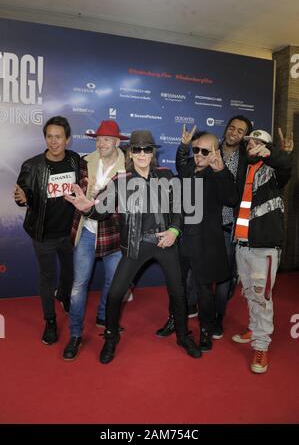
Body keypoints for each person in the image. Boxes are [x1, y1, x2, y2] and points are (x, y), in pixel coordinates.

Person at [65, 130, 201, 363]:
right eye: (136, 149)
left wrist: (174, 231)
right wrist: (86, 207)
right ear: (129, 153)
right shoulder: (119, 181)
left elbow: (179, 210)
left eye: (146, 149)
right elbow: (100, 212)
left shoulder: (167, 176)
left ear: (153, 152)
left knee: (178, 293)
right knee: (116, 294)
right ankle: (110, 338)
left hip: (164, 242)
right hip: (135, 245)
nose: (141, 153)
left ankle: (182, 336)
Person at [156, 131, 238, 351]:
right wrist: (184, 146)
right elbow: (180, 162)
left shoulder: (219, 173)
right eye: (196, 150)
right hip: (180, 239)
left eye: (205, 151)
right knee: (176, 285)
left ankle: (205, 330)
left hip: (206, 243)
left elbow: (231, 198)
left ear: (215, 152)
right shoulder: (188, 168)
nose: (199, 155)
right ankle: (175, 320)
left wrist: (221, 171)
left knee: (204, 291)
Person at [63, 120, 128, 361]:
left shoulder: (126, 168)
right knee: (79, 285)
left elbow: (124, 204)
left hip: (113, 234)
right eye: (98, 139)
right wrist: (87, 195)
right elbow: (81, 190)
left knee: (113, 283)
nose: (101, 143)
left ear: (117, 142)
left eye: (106, 139)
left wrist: (97, 201)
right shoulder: (86, 162)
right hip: (87, 231)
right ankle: (75, 334)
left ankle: (103, 316)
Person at [14, 116, 80, 345]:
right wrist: (23, 199)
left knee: (70, 273)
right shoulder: (32, 165)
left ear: (67, 139)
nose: (53, 142)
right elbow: (23, 196)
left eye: (58, 137)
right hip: (43, 235)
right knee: (47, 277)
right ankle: (50, 321)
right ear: (45, 138)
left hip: (70, 233)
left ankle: (64, 296)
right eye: (49, 137)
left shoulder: (74, 161)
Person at [232, 129, 292, 373]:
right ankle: (254, 328)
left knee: (261, 296)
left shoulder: (274, 173)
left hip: (264, 247)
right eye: (250, 142)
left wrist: (271, 153)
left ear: (267, 147)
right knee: (249, 292)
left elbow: (287, 165)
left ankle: (261, 345)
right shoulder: (244, 168)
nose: (252, 145)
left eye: (258, 143)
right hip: (242, 243)